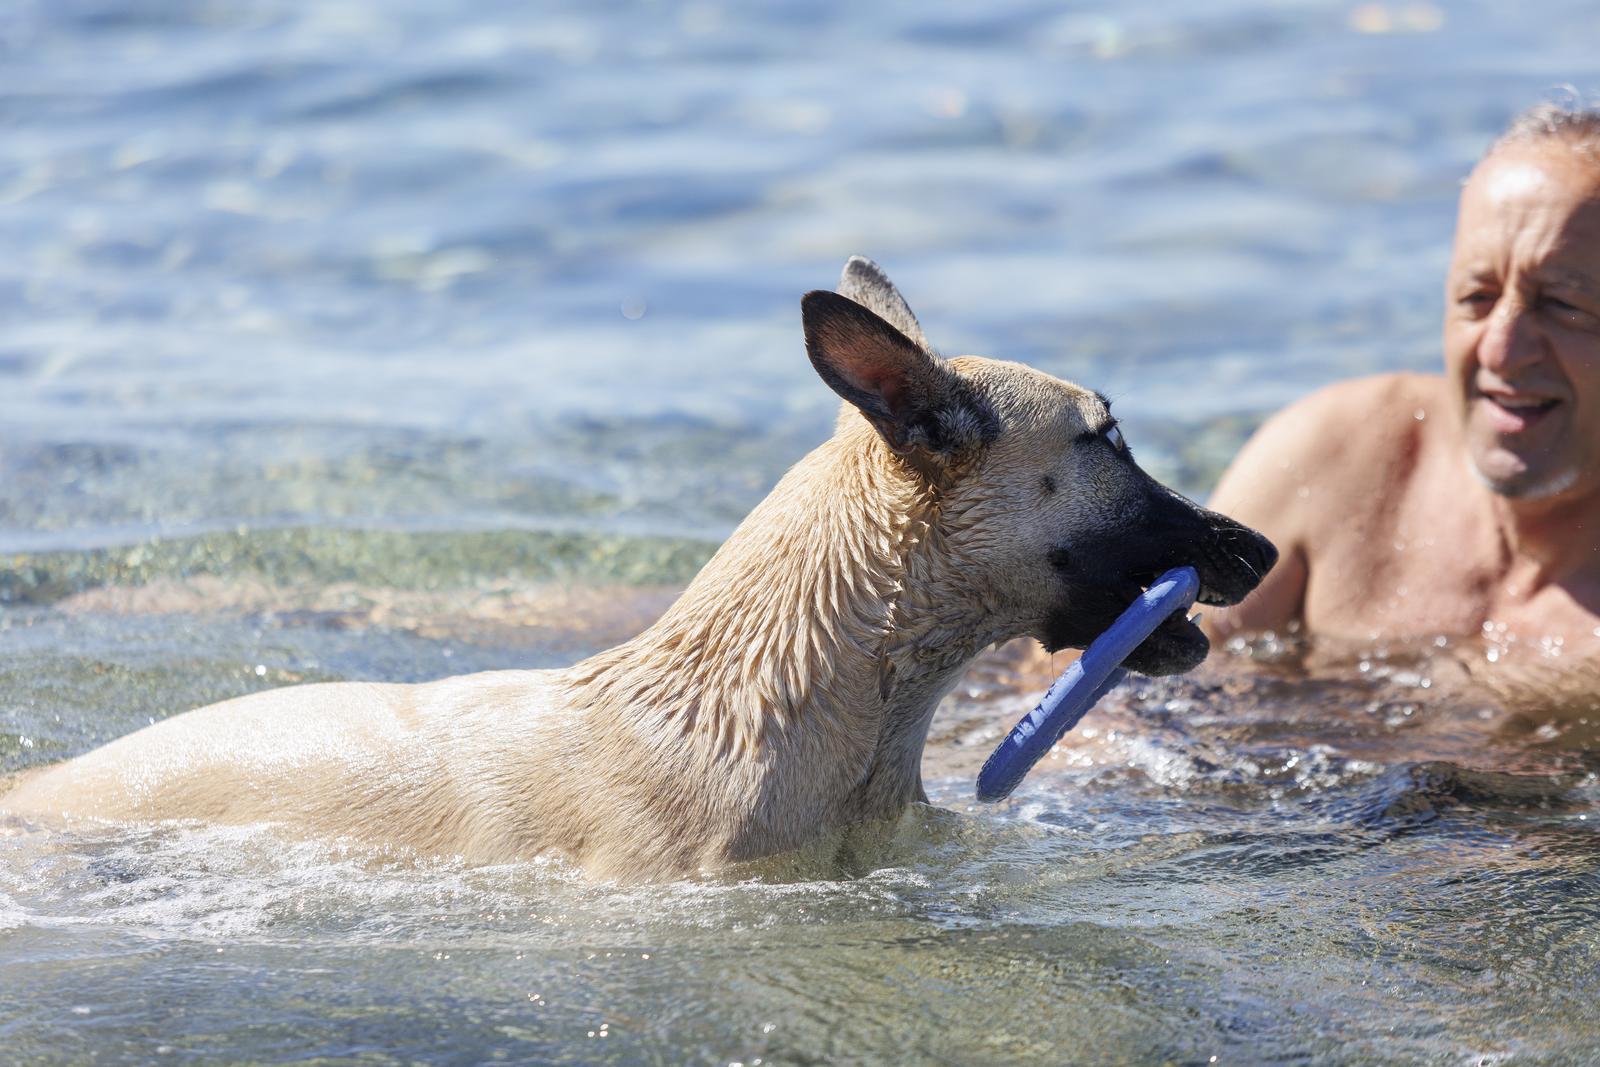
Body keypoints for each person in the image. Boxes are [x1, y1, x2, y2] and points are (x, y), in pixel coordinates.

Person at [1205, 101, 1600, 664]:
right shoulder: (1334, 459)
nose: (1499, 349)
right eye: (1476, 297)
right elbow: (1111, 694)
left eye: (1561, 305)